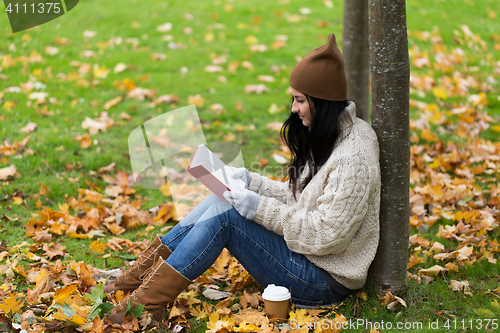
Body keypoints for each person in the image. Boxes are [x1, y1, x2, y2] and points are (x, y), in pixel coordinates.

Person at [107, 33, 381, 324]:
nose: (293, 108)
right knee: (221, 197)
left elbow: (327, 236)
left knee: (227, 217)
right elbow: (300, 198)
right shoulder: (331, 135)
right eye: (294, 99)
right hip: (307, 258)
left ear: (322, 102)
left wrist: (257, 207)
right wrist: (250, 182)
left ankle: (147, 305)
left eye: (300, 100)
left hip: (323, 281)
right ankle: (133, 283)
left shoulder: (353, 157)